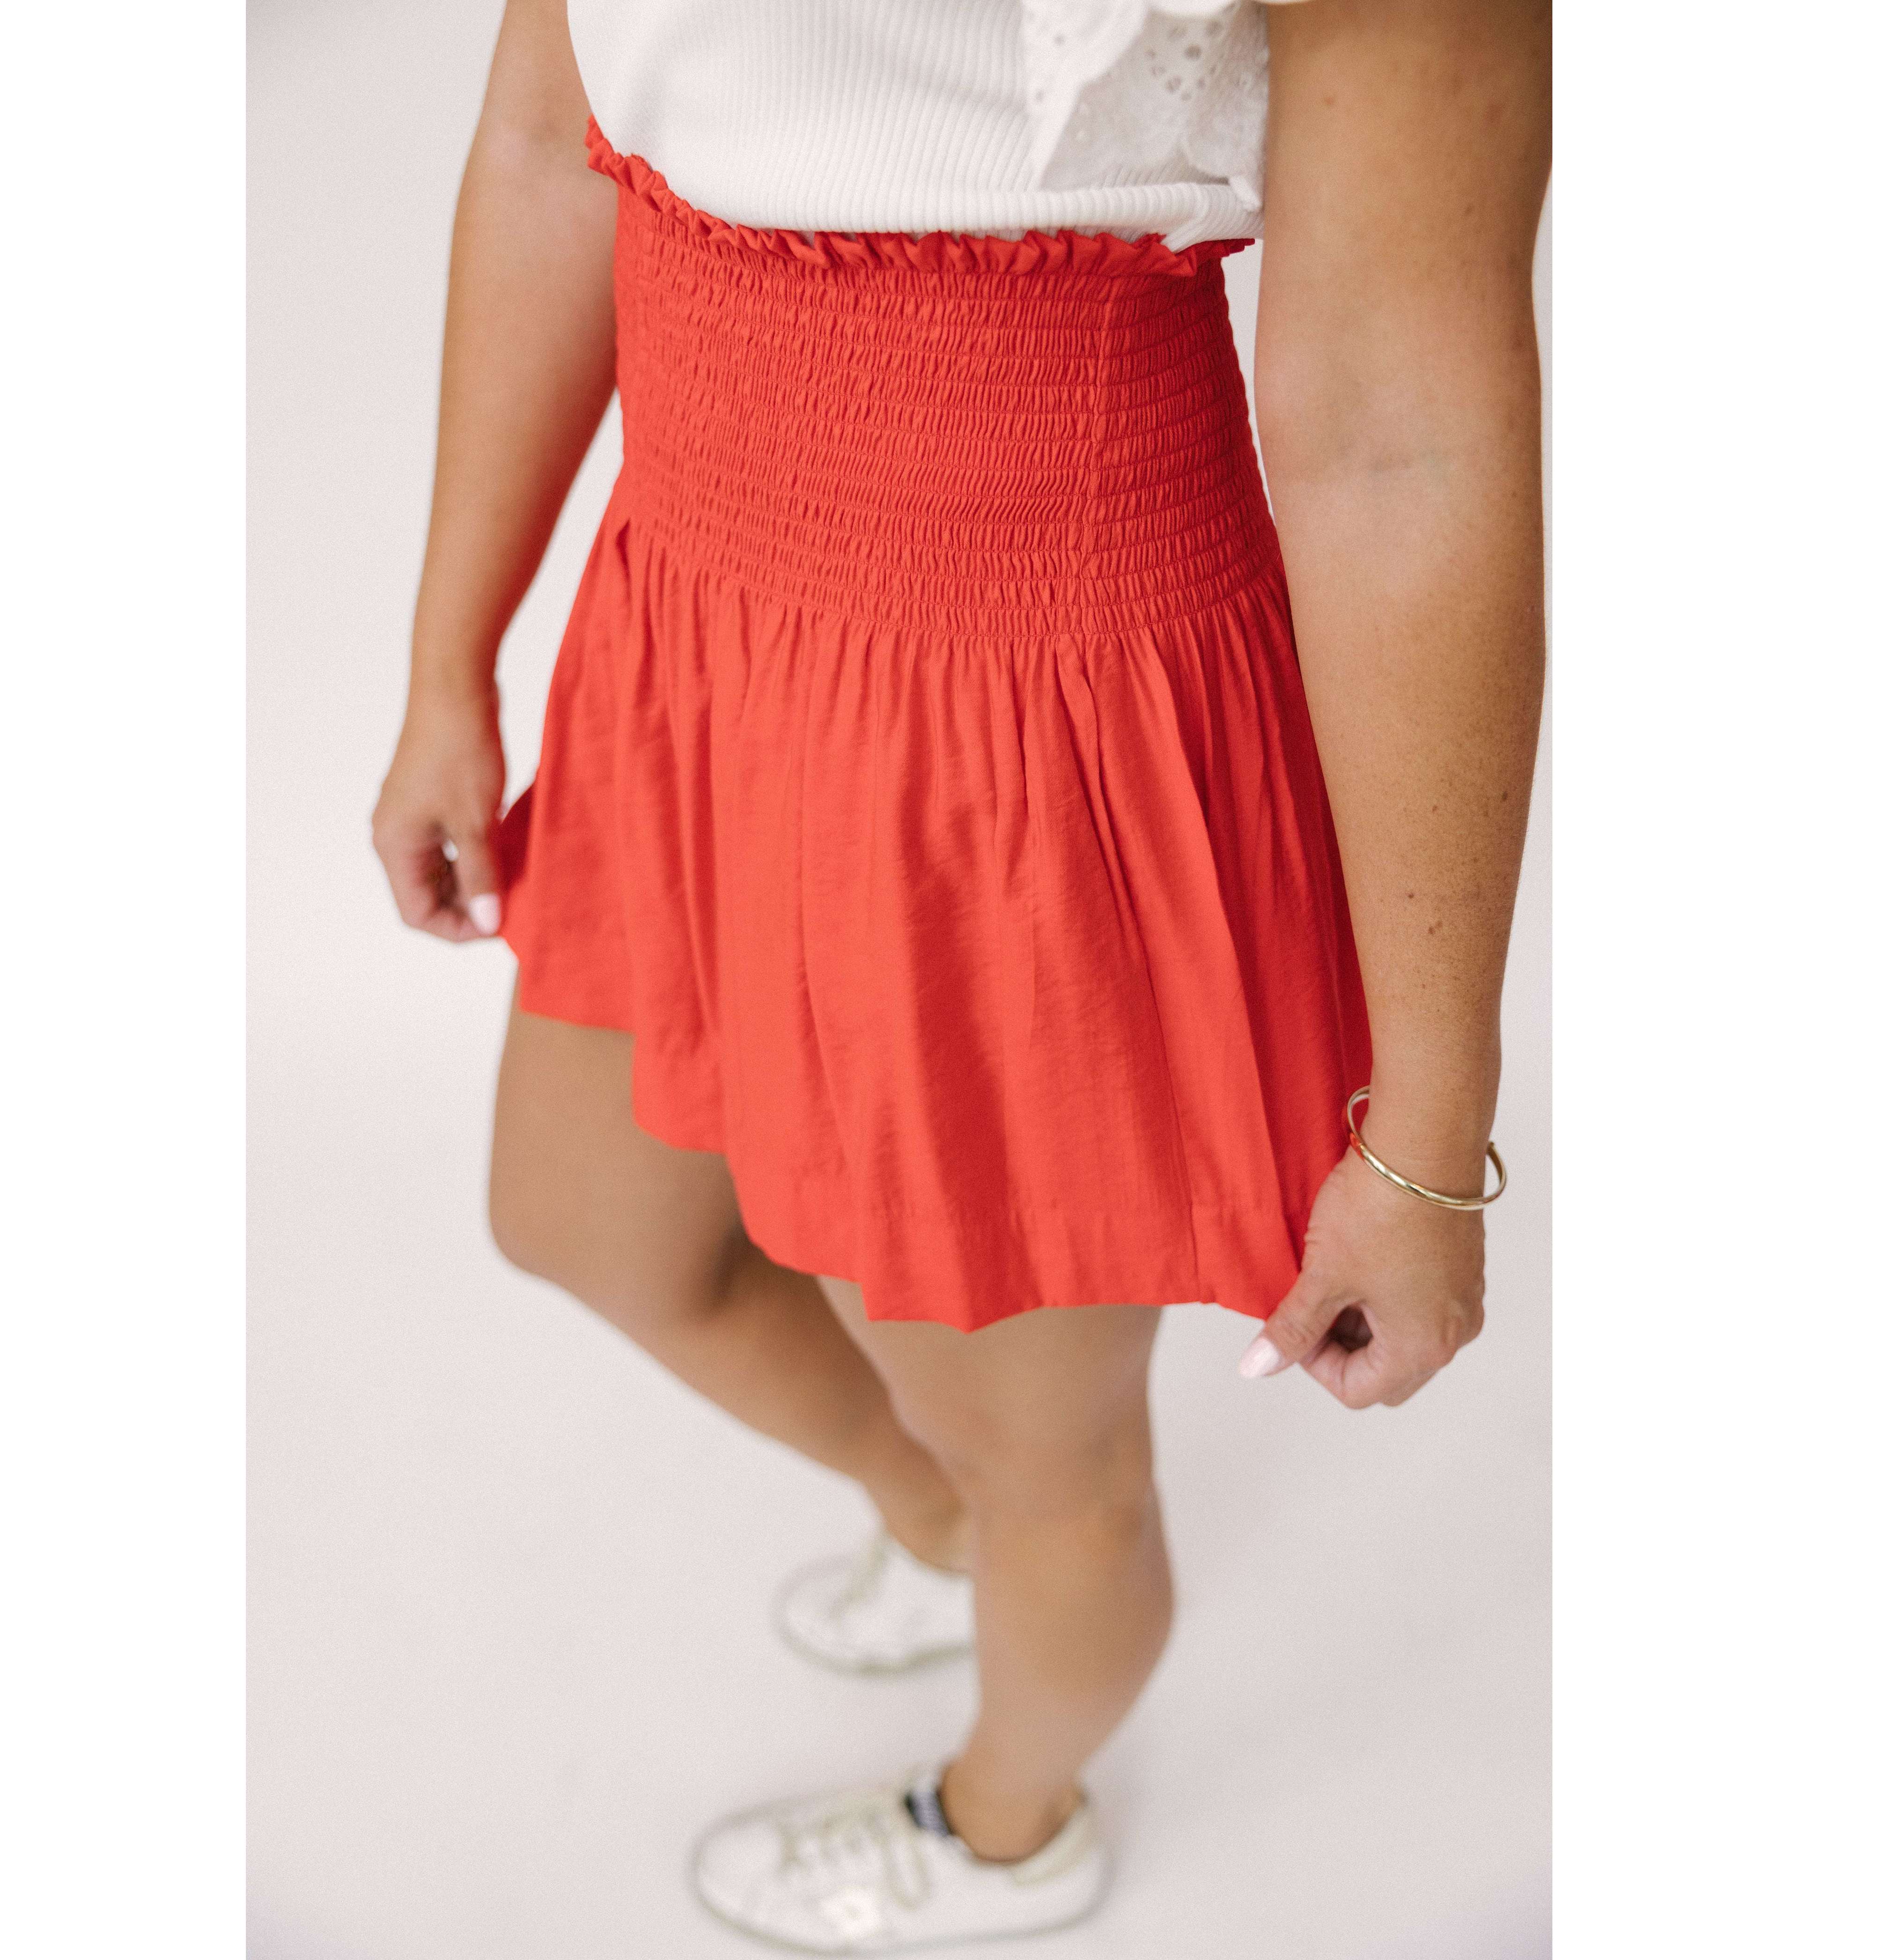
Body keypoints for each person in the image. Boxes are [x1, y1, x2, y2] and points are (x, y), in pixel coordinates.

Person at [371, 0, 1548, 1947]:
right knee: (581, 1220)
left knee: (1051, 1461)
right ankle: (937, 1524)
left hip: (1022, 730)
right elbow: (538, 143)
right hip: (697, 639)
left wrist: (1427, 1143)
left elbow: (1400, 428)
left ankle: (1008, 1821)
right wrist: (447, 661)